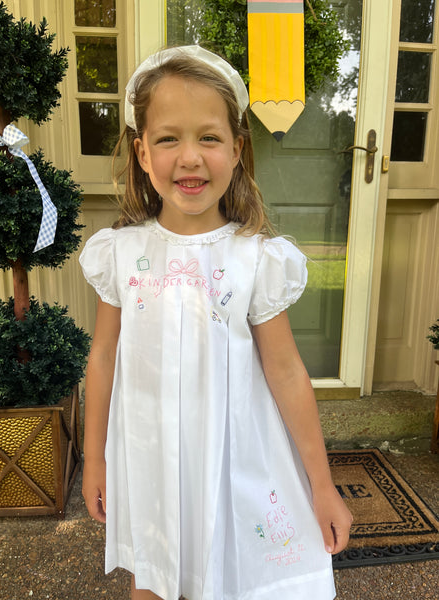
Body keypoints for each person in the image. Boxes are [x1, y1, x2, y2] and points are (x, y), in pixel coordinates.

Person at [79, 45, 353, 600]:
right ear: (141, 151)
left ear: (236, 148)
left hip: (232, 460)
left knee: (229, 576)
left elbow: (286, 372)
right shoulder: (121, 253)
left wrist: (322, 486)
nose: (190, 157)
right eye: (168, 139)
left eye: (208, 137)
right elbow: (103, 357)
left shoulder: (256, 258)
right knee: (152, 577)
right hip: (150, 456)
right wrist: (95, 458)